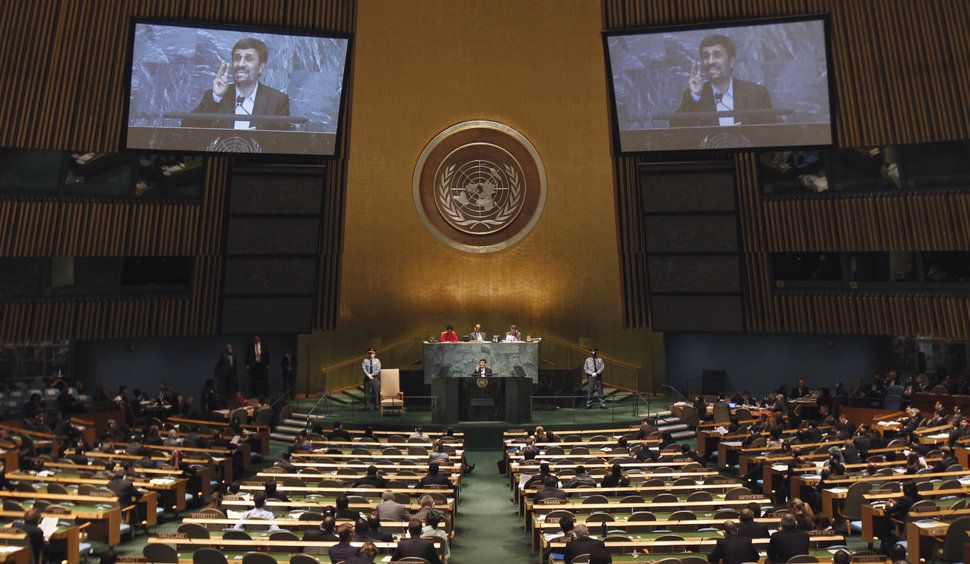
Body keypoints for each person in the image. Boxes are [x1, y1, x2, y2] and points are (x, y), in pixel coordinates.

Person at [185, 37, 291, 130]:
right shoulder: (214, 96)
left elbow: (284, 142)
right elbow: (187, 128)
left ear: (261, 67)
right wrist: (216, 98)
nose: (240, 64)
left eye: (248, 59)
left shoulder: (277, 100)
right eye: (237, 58)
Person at [672, 33, 774, 127]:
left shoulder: (756, 94)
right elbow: (676, 132)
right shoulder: (694, 96)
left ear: (731, 62)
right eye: (706, 56)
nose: (711, 61)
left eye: (717, 55)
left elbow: (771, 135)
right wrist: (695, 96)